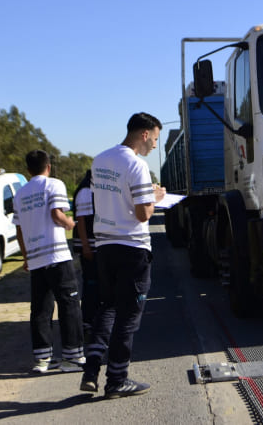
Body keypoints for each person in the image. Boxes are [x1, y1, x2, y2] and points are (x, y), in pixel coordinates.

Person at [80, 112, 166, 399]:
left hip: (105, 246)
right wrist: (156, 198)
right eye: (154, 138)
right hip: (132, 247)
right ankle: (117, 379)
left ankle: (91, 369)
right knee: (128, 317)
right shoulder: (137, 165)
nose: (155, 145)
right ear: (144, 134)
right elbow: (143, 214)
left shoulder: (100, 160)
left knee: (107, 307)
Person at [14, 150, 85, 374]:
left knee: (41, 309)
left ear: (28, 170)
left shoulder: (19, 194)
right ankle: (72, 357)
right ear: (48, 167)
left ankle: (42, 359)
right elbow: (57, 215)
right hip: (56, 255)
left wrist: (26, 257)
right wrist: (71, 223)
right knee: (69, 304)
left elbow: (19, 229)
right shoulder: (54, 185)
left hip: (36, 258)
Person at [72, 169, 98, 337]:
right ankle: (88, 322)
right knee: (91, 286)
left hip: (93, 245)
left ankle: (93, 320)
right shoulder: (86, 191)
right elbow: (81, 221)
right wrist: (86, 247)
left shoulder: (90, 189)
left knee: (96, 286)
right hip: (89, 247)